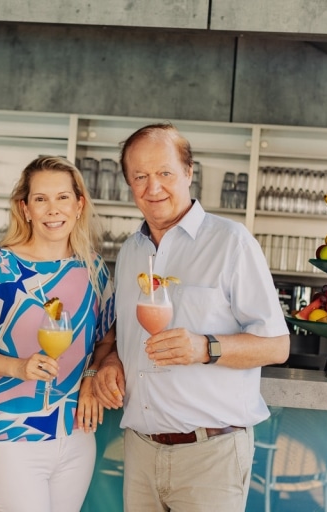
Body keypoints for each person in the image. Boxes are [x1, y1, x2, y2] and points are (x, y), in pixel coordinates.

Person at [92, 123, 290, 511]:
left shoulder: (231, 242)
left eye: (164, 173)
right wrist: (111, 360)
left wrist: (205, 347)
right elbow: (123, 331)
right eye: (140, 176)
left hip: (210, 454)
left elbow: (278, 346)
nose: (153, 188)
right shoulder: (131, 250)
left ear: (188, 172)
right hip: (140, 450)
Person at [0, 156, 116, 512]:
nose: (52, 209)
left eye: (62, 197)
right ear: (25, 208)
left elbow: (107, 341)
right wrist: (18, 367)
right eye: (41, 199)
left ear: (79, 205)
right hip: (10, 435)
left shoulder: (93, 269)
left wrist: (91, 375)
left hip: (76, 434)